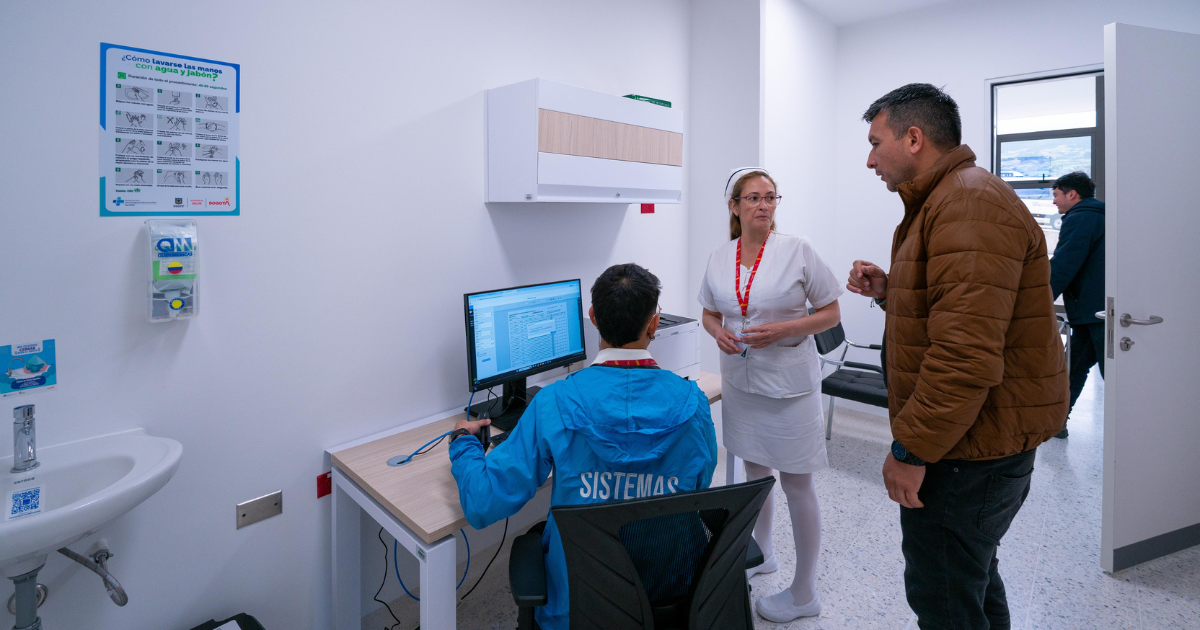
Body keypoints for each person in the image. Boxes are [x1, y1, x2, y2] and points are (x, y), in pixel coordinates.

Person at [846, 83, 1068, 629]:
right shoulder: (952, 200)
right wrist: (893, 289)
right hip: (975, 441)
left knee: (945, 596)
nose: (870, 158)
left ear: (914, 138)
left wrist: (910, 450)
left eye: (877, 142)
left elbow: (964, 356)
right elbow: (963, 311)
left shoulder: (966, 203)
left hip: (966, 451)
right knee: (970, 576)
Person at [449, 263, 717, 630]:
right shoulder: (693, 403)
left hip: (578, 608)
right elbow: (697, 490)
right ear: (654, 324)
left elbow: (482, 504)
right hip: (670, 599)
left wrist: (464, 442)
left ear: (592, 318)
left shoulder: (554, 402)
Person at [697, 168, 843, 622]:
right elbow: (708, 311)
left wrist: (786, 329)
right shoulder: (720, 256)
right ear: (734, 206)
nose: (764, 205)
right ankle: (765, 552)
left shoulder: (797, 250)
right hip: (742, 383)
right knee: (756, 476)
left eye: (771, 198)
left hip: (790, 386)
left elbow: (831, 311)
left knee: (797, 484)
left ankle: (804, 593)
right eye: (754, 198)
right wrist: (718, 331)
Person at [1049, 171, 1105, 438]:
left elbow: (1064, 263)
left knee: (1080, 369)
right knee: (1074, 367)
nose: (1054, 202)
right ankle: (1057, 421)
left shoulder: (1081, 217)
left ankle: (1058, 421)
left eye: (1056, 195)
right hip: (1095, 309)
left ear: (1072, 194)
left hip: (1093, 311)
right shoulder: (1102, 215)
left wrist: (1040, 297)